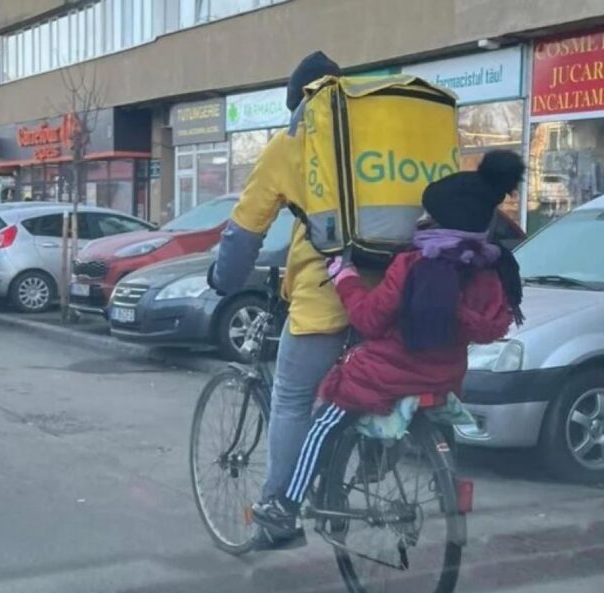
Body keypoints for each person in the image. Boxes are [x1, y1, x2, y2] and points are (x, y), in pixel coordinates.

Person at [252, 149, 526, 549]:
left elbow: (368, 320)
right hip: (444, 377)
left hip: (385, 374)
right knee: (380, 405)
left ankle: (284, 506)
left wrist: (344, 277)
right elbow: (489, 326)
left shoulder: (413, 265)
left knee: (324, 421)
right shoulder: (488, 269)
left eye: (427, 214)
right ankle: (386, 465)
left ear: (438, 220)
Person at [209, 52, 351, 525]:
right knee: (357, 392)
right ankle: (351, 474)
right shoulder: (374, 137)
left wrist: (224, 280)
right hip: (392, 292)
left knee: (292, 398)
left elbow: (243, 231)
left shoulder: (292, 144)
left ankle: (277, 512)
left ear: (299, 104)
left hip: (327, 296)